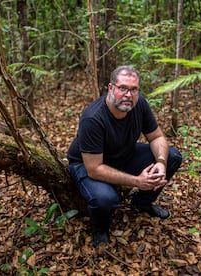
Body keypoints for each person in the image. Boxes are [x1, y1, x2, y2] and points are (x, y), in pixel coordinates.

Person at [67, 65, 182, 246]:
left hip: (123, 153)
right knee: (106, 199)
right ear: (111, 88)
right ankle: (100, 227)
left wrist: (160, 162)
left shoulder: (139, 104)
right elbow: (94, 169)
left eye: (133, 89)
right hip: (88, 164)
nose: (128, 95)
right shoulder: (93, 118)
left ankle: (142, 203)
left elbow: (157, 137)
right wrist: (137, 181)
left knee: (172, 157)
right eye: (122, 88)